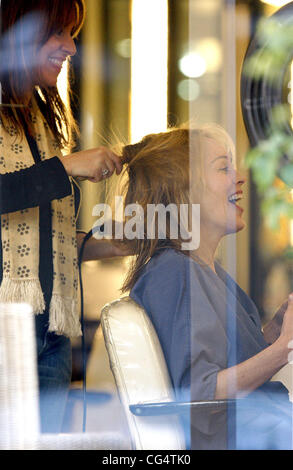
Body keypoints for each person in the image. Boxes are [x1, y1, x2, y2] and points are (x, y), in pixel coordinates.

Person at [112, 124, 293, 450]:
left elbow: (226, 364)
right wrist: (284, 350)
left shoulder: (205, 272)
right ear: (184, 191)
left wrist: (276, 332)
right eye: (223, 168)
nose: (240, 178)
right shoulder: (173, 273)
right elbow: (200, 392)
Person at [0, 0, 123, 433]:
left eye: (72, 33)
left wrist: (116, 243)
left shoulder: (38, 116)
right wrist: (67, 167)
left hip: (51, 334)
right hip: (5, 333)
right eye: (58, 32)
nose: (70, 46)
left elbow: (44, 239)